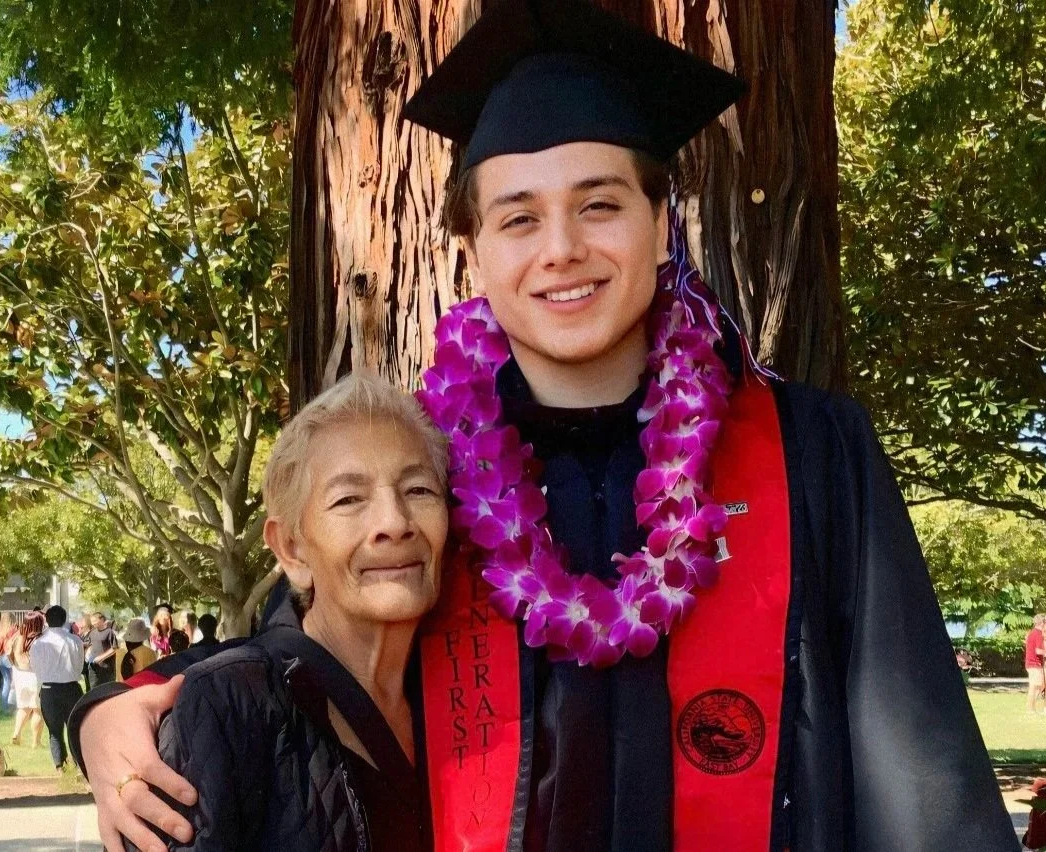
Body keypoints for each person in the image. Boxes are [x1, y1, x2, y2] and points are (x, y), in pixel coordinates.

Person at [69, 1, 1016, 850]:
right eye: (518, 219)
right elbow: (298, 651)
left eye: (599, 204)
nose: (562, 250)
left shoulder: (812, 452)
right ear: (475, 248)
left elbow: (921, 779)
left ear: (660, 218)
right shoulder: (427, 473)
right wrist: (111, 710)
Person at [116, 374, 447, 851]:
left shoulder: (470, 695)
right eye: (349, 499)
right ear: (291, 549)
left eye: (419, 490)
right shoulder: (228, 708)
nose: (394, 523)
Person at [30, 605, 86, 770]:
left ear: (47, 620)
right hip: (72, 688)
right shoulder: (75, 640)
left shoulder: (38, 643)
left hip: (49, 689)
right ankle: (78, 765)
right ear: (64, 620)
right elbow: (80, 665)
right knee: (74, 729)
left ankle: (59, 765)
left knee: (54, 731)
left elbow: (36, 668)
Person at [9, 611, 44, 748]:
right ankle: (36, 742)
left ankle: (16, 733)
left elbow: (10, 654)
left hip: (19, 675)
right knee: (37, 709)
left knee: (23, 707)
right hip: (35, 675)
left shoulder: (18, 637)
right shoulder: (40, 639)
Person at [86, 613, 119, 687]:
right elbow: (89, 644)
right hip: (94, 668)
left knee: (107, 691)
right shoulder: (92, 633)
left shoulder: (109, 632)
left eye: (94, 620)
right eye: (92, 621)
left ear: (101, 620)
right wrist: (87, 654)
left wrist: (101, 658)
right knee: (94, 690)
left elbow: (114, 648)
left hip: (106, 669)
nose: (93, 623)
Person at [0, 612, 17, 714]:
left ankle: (4, 706)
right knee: (14, 682)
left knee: (6, 682)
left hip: (0, 658)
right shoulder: (12, 631)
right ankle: (13, 705)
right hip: (9, 657)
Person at [1026, 614, 1046, 713]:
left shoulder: (1033, 633)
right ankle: (1030, 709)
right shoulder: (1038, 634)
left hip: (1032, 664)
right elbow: (1038, 650)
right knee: (1034, 687)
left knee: (1038, 687)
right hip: (1034, 664)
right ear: (1042, 623)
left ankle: (1032, 709)